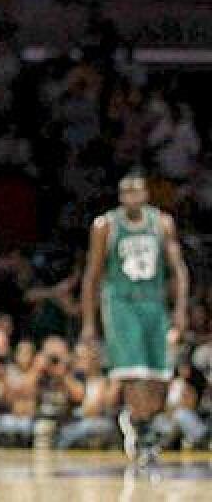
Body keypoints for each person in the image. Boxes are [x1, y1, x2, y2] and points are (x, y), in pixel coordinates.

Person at [81, 173, 189, 469]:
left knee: (159, 375)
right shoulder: (105, 225)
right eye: (125, 192)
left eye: (136, 191)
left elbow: (178, 269)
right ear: (119, 196)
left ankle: (140, 422)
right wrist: (89, 322)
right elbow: (92, 275)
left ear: (146, 194)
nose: (130, 196)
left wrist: (180, 309)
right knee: (135, 373)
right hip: (121, 304)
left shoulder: (162, 223)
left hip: (154, 303)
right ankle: (144, 437)